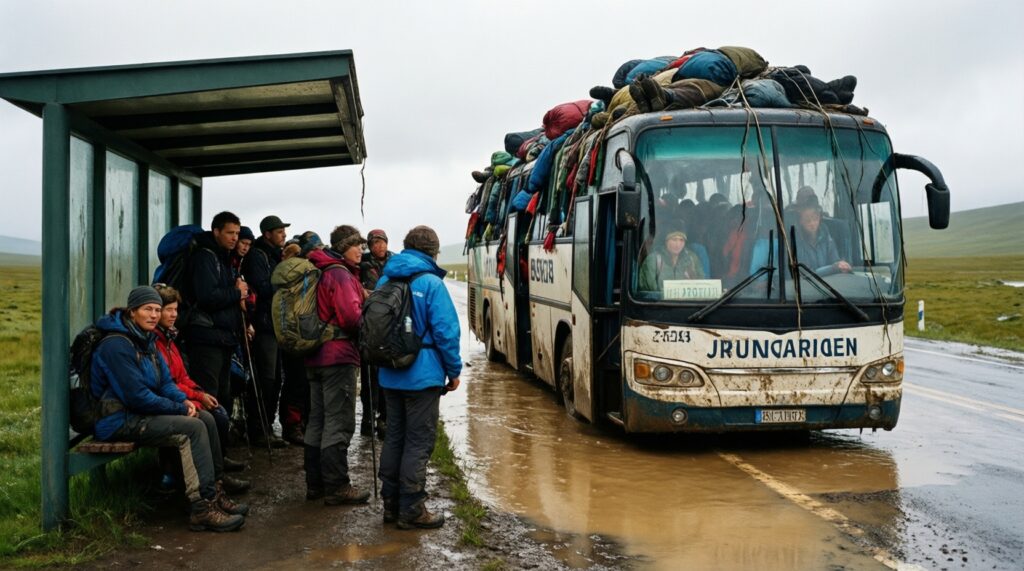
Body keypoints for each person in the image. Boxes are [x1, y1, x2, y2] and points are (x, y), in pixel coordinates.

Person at [91, 286, 248, 532]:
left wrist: (184, 401)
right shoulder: (116, 345)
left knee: (205, 418)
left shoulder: (147, 339)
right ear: (132, 312)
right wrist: (178, 407)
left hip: (140, 412)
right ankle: (202, 507)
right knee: (192, 429)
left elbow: (165, 383)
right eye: (148, 309)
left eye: (156, 309)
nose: (154, 315)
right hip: (119, 419)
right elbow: (136, 397)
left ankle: (214, 492)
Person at [377, 226, 463, 530]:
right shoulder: (431, 283)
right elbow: (446, 332)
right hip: (422, 376)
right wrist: (454, 371)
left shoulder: (385, 278)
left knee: (394, 437)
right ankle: (412, 509)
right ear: (433, 253)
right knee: (418, 441)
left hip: (389, 374)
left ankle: (390, 505)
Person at [152, 283, 251, 491]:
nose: (173, 315)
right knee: (209, 418)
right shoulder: (156, 342)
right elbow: (166, 382)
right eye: (167, 310)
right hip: (167, 400)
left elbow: (183, 376)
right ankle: (206, 479)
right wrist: (196, 396)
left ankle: (215, 474)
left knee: (218, 412)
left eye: (175, 310)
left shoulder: (169, 338)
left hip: (176, 395)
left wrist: (199, 393)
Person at [302, 225, 370, 505]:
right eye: (358, 246)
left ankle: (315, 485)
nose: (361, 251)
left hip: (316, 357)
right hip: (338, 358)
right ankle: (337, 486)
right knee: (339, 422)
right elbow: (350, 319)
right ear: (344, 246)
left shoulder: (322, 269)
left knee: (317, 420)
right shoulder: (340, 274)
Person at [181, 211, 247, 423]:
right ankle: (208, 454)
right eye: (230, 232)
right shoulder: (204, 257)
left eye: (237, 233)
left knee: (223, 395)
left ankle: (220, 452)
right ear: (216, 231)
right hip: (206, 337)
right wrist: (237, 293)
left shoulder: (223, 257)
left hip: (223, 337)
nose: (235, 237)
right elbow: (207, 296)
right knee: (210, 395)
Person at [240, 215, 290, 448]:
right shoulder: (258, 256)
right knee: (266, 378)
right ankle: (258, 428)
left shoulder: (273, 254)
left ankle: (267, 425)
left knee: (276, 378)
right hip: (263, 324)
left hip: (274, 325)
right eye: (279, 231)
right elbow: (262, 286)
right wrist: (285, 282)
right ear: (267, 233)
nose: (284, 235)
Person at [358, 228, 393, 437]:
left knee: (387, 376)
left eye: (382, 242)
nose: (379, 246)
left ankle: (385, 420)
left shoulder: (395, 262)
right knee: (369, 376)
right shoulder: (362, 265)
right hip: (370, 326)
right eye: (374, 243)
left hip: (389, 326)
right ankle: (367, 419)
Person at [792, 198, 851, 274]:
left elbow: (835, 261)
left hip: (829, 284)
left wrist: (841, 265)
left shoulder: (826, 237)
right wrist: (833, 268)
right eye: (808, 220)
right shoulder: (796, 242)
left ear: (819, 218)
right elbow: (806, 273)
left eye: (815, 219)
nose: (812, 223)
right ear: (800, 222)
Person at [638, 228, 705, 292]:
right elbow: (651, 292)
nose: (678, 244)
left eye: (681, 240)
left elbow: (702, 285)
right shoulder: (653, 260)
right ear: (666, 241)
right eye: (674, 239)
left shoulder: (692, 259)